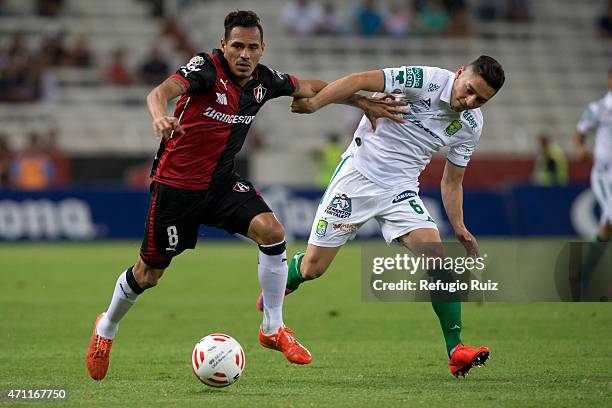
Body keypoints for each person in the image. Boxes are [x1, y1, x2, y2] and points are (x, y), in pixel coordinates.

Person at [86, 10, 404, 381]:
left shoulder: (264, 80)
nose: (244, 54)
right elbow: (160, 93)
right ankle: (106, 328)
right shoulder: (205, 69)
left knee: (272, 232)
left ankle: (272, 327)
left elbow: (313, 88)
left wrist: (361, 101)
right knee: (149, 273)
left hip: (221, 184)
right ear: (224, 45)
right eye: (237, 46)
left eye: (252, 47)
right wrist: (160, 116)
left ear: (262, 49)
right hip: (177, 188)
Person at [258, 55, 505, 377]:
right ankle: (287, 280)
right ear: (459, 74)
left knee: (439, 261)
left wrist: (458, 226)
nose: (469, 101)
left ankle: (456, 349)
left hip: (401, 191)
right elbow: (360, 80)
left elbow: (452, 180)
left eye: (480, 100)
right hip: (357, 179)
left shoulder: (472, 125)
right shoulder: (425, 80)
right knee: (313, 268)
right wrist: (317, 104)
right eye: (469, 90)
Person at [575, 67, 612, 243]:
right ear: (609, 80)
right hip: (604, 176)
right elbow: (580, 133)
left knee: (606, 229)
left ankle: (585, 268)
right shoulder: (599, 108)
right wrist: (581, 149)